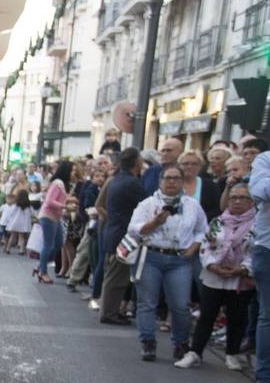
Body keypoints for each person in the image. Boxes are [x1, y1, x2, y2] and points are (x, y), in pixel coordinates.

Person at [128, 165, 207, 362]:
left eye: (176, 178)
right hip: (151, 256)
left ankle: (180, 343)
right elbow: (134, 230)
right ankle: (148, 342)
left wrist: (194, 246)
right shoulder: (147, 204)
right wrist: (155, 222)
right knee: (147, 302)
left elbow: (203, 229)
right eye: (168, 178)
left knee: (180, 304)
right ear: (160, 181)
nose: (172, 182)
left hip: (180, 259)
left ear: (182, 181)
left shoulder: (192, 205)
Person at [174, 183, 256, 370]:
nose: (236, 201)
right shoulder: (218, 221)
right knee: (207, 315)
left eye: (242, 197)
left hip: (239, 278)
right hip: (214, 276)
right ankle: (195, 352)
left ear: (251, 202)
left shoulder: (258, 225)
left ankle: (232, 354)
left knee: (237, 317)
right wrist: (212, 265)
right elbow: (206, 246)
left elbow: (256, 252)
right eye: (233, 197)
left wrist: (240, 269)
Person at [99, 148, 149, 325]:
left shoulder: (117, 180)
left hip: (113, 231)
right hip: (122, 235)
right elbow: (147, 203)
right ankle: (109, 312)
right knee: (116, 277)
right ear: (136, 162)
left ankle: (110, 310)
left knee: (113, 275)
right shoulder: (130, 183)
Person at [246, 146, 270, 383]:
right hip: (268, 248)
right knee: (267, 315)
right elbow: (261, 191)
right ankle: (264, 378)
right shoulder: (265, 159)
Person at [35, 160, 73, 284]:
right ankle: (43, 272)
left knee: (58, 243)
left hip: (55, 217)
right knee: (49, 244)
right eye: (72, 171)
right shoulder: (58, 183)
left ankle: (41, 265)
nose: (73, 173)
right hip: (48, 216)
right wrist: (65, 206)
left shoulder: (61, 184)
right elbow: (50, 201)